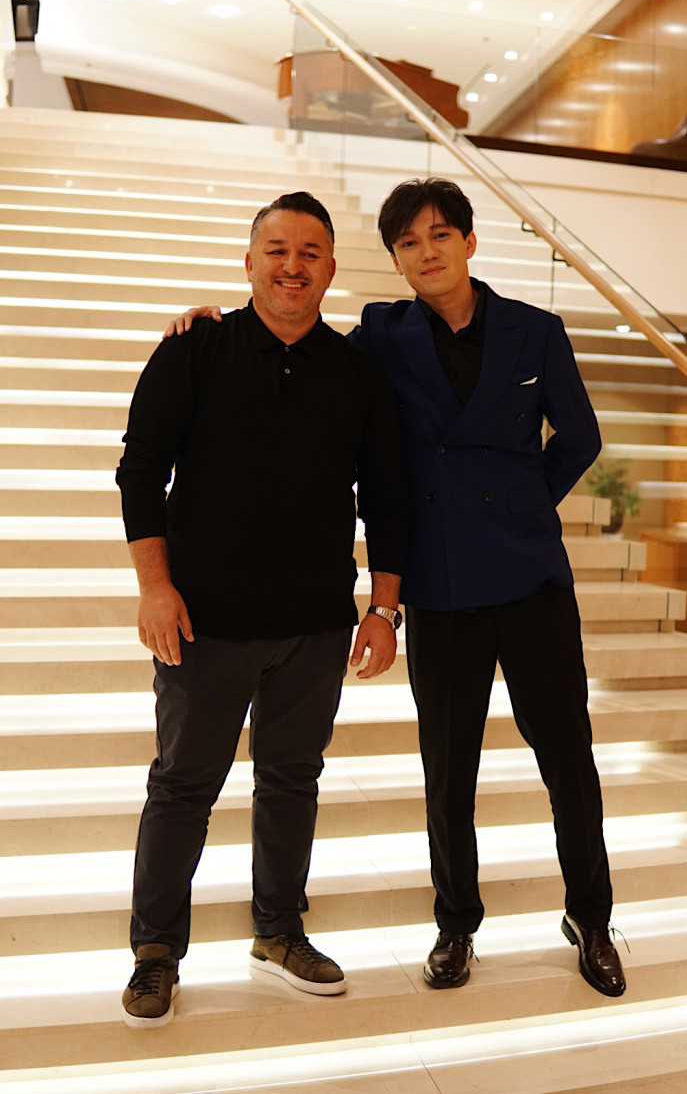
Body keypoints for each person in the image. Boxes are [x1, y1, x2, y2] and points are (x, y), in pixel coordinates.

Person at [165, 177, 626, 999]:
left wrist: (524, 506)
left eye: (440, 235)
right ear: (393, 259)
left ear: (470, 242)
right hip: (440, 583)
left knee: (568, 756)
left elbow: (580, 437)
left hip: (531, 579)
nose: (426, 252)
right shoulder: (382, 333)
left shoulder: (535, 330)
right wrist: (216, 325)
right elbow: (298, 340)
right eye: (408, 242)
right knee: (447, 768)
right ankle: (457, 922)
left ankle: (591, 916)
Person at [115, 191, 408, 1030]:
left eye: (310, 252)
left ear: (330, 269)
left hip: (315, 625)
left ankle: (278, 930)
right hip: (203, 622)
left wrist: (383, 608)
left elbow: (388, 499)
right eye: (276, 249)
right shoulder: (195, 347)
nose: (292, 266)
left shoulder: (356, 371)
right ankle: (156, 949)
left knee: (292, 779)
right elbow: (141, 470)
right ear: (250, 263)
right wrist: (154, 587)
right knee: (183, 784)